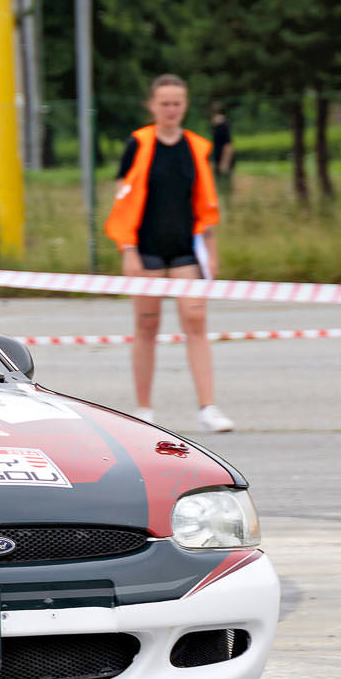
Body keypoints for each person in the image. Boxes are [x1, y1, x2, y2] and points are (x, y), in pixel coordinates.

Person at [105, 74, 234, 433]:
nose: (171, 109)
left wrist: (211, 251)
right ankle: (144, 410)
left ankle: (208, 408)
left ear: (185, 105)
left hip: (184, 251)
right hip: (145, 249)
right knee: (147, 325)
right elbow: (122, 200)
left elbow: (205, 204)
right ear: (152, 106)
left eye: (177, 103)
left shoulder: (197, 146)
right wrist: (128, 249)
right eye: (164, 103)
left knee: (196, 321)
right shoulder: (139, 143)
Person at [209, 103, 235, 194]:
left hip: (225, 159)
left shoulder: (223, 126)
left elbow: (228, 145)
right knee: (219, 186)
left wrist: (224, 162)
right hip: (218, 158)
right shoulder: (215, 127)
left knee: (225, 186)